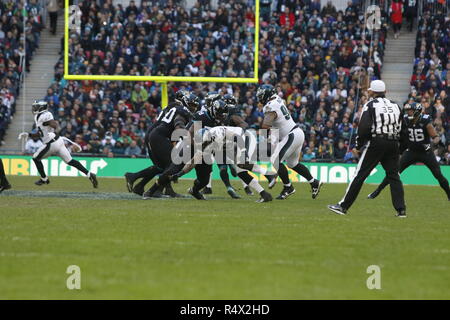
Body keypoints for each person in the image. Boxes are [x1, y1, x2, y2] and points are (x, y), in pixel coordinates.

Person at [328, 80, 406, 217]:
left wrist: (358, 146)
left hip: (377, 142)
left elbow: (363, 128)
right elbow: (403, 129)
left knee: (360, 175)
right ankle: (401, 210)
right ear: (385, 92)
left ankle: (343, 206)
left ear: (372, 92)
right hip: (393, 142)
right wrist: (399, 148)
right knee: (394, 177)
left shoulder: (370, 105)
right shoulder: (396, 105)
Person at [368, 102, 450, 201]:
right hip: (411, 151)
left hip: (425, 152)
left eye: (411, 111)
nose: (409, 113)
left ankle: (449, 194)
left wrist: (435, 143)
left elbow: (434, 136)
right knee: (394, 172)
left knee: (438, 175)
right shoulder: (406, 119)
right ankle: (378, 190)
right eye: (408, 111)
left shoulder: (425, 120)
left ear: (417, 111)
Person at [257, 84, 323, 200]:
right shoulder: (278, 99)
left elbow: (265, 126)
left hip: (291, 135)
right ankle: (314, 182)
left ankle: (288, 187)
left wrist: (264, 141)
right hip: (296, 133)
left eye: (261, 96)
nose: (260, 98)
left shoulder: (270, 106)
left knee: (275, 159)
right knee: (293, 164)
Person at [31, 100, 98, 188]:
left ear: (41, 108)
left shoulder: (45, 115)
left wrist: (49, 123)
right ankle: (89, 174)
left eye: (36, 107)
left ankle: (44, 179)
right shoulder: (38, 116)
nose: (34, 108)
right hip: (58, 141)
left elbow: (54, 124)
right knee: (70, 161)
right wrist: (29, 135)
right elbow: (41, 133)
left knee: (36, 158)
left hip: (51, 143)